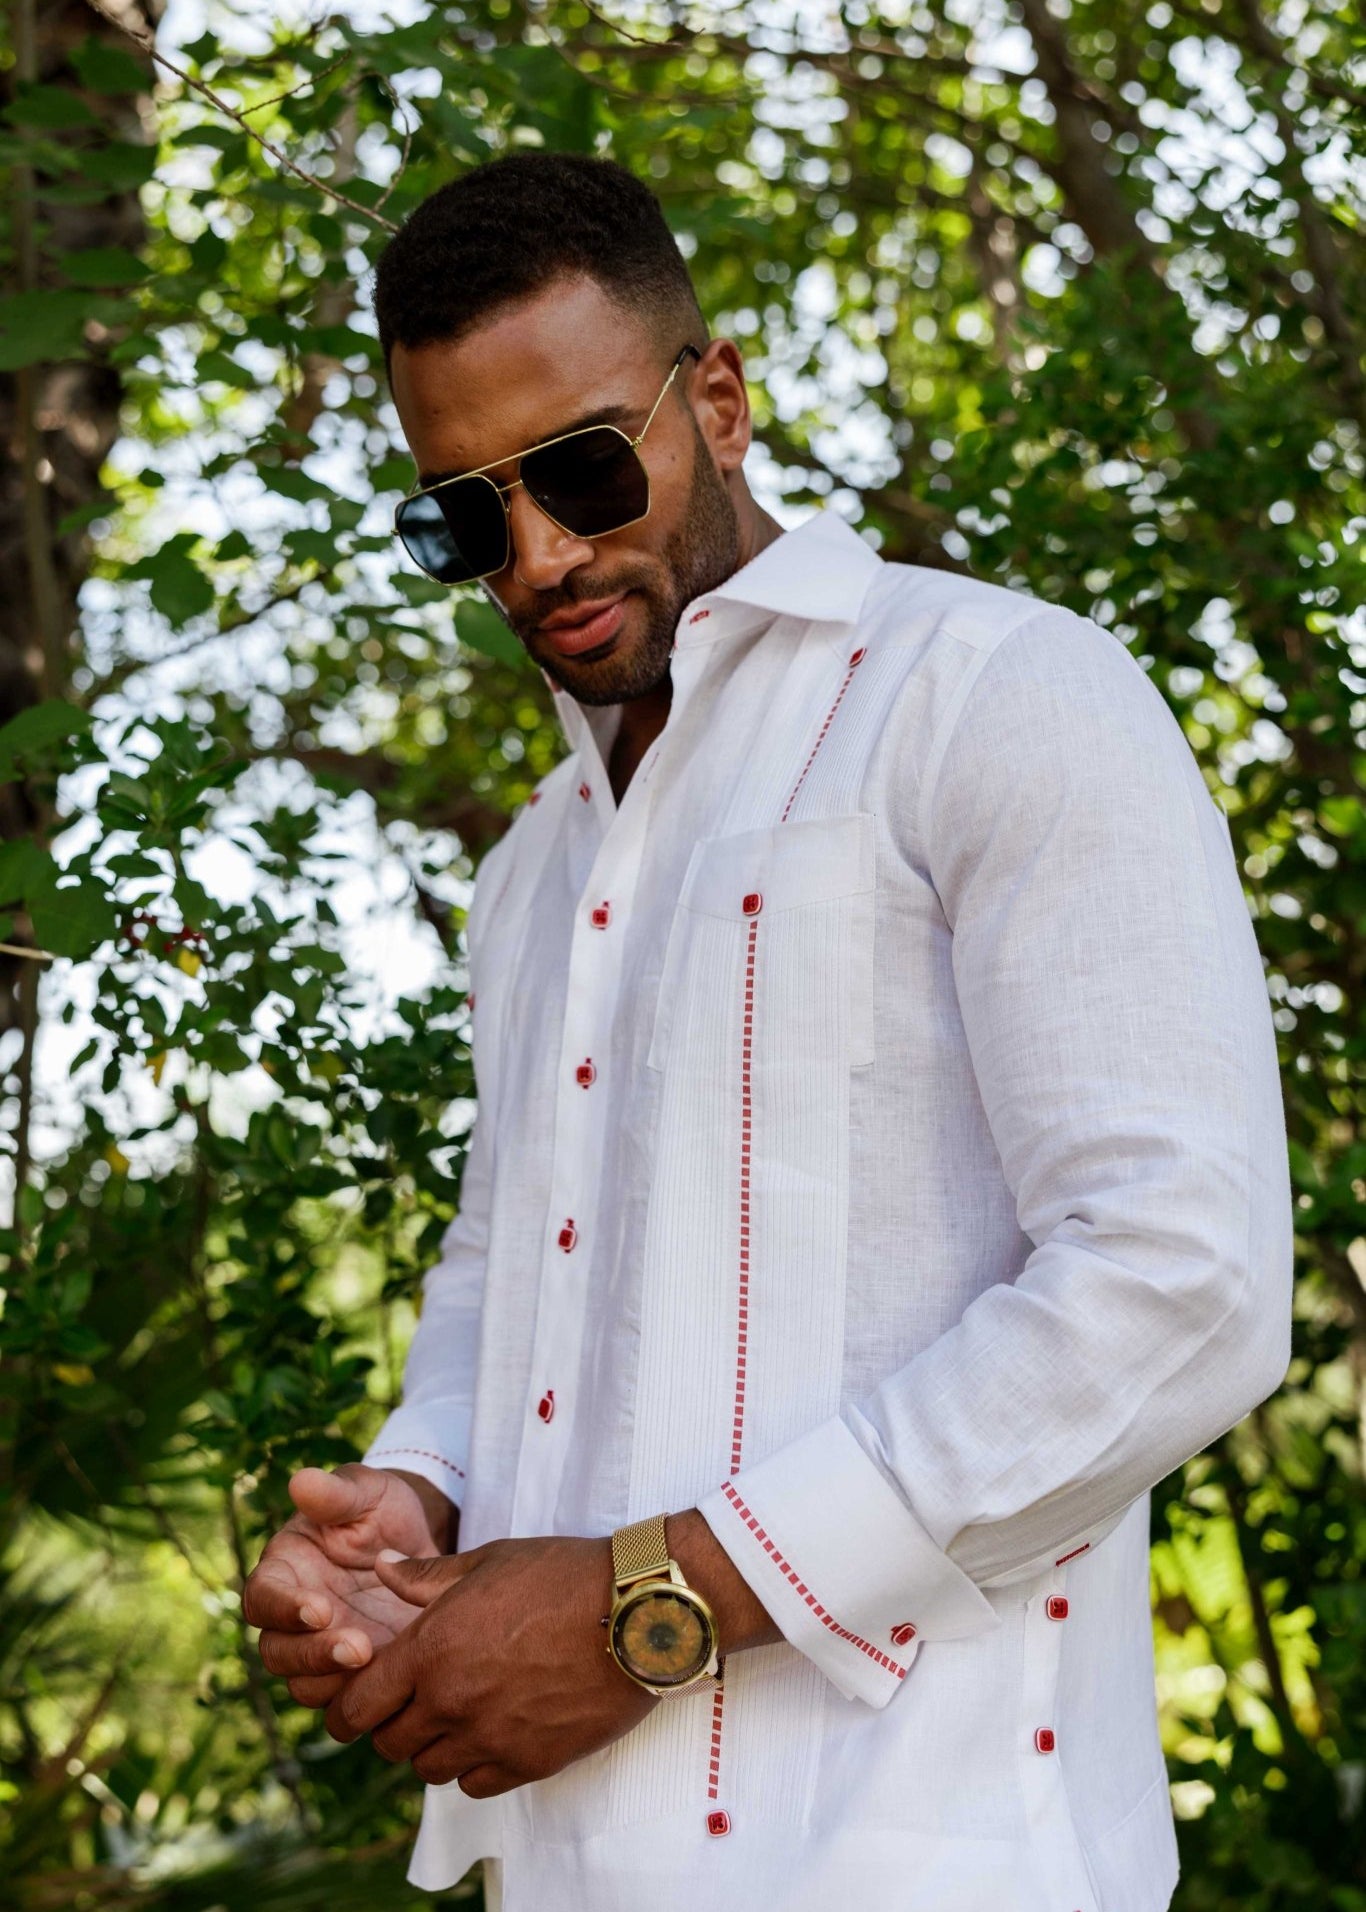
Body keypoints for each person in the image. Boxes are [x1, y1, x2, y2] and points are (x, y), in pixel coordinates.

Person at [241, 152, 1293, 1912]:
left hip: (923, 1860)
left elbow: (1178, 1278)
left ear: (713, 398)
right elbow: (520, 1268)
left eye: (580, 469)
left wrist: (644, 1615)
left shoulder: (993, 698)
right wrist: (416, 1499)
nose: (541, 555)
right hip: (564, 1866)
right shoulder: (530, 871)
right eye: (463, 516)